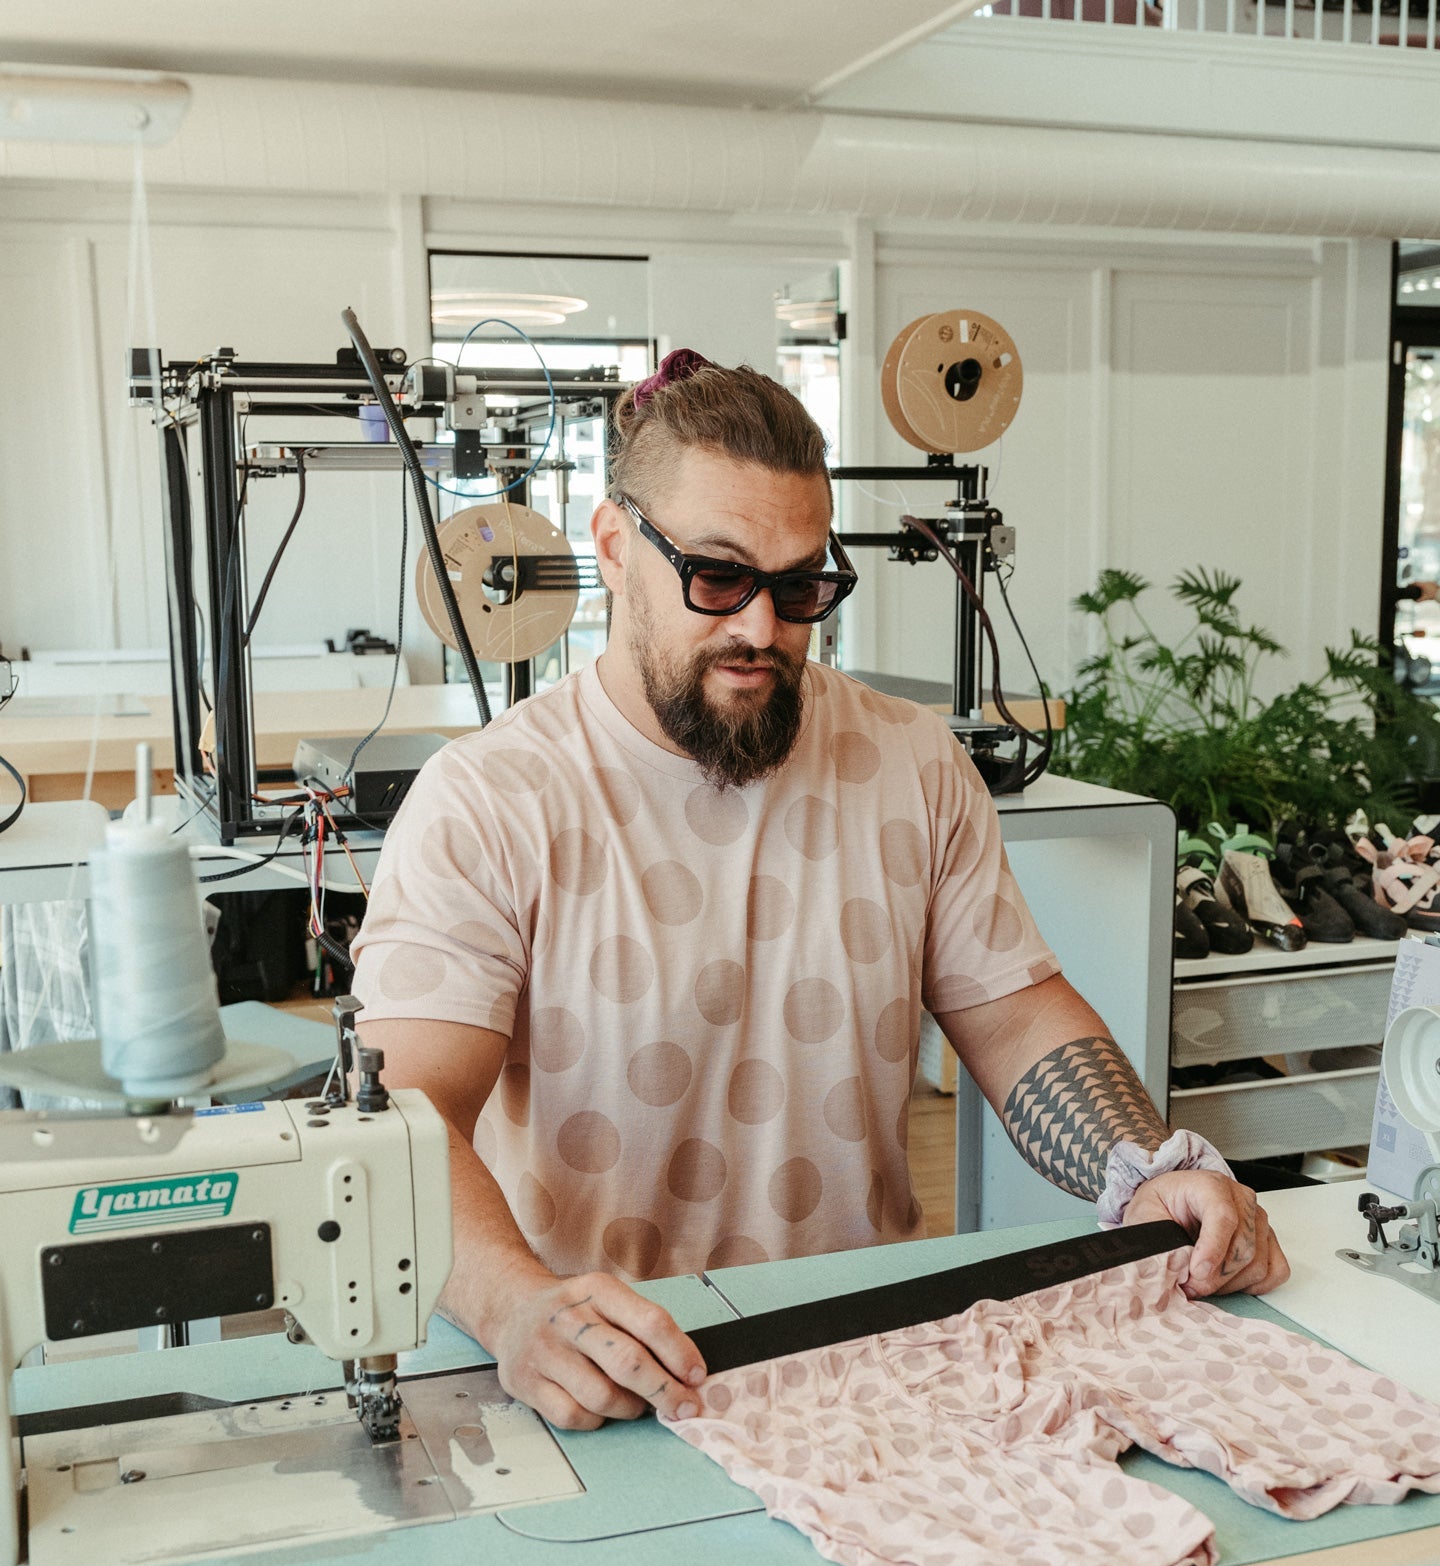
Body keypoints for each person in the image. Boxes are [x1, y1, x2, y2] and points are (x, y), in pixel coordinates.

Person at [351, 349, 1288, 1433]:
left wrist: (1143, 1167)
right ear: (613, 547)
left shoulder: (911, 761)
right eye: (717, 577)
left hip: (872, 1361)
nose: (762, 628)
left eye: (799, 587)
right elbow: (405, 1110)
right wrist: (516, 1306)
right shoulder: (490, 800)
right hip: (604, 1380)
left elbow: (1016, 1017)